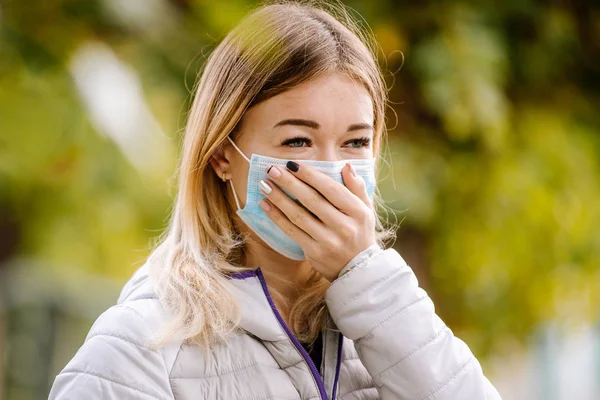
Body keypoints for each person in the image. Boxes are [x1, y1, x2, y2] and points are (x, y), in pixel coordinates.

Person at [49, 1, 502, 399]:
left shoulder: (386, 329)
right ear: (224, 155)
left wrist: (367, 281)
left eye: (355, 142)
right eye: (298, 142)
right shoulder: (138, 349)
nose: (328, 172)